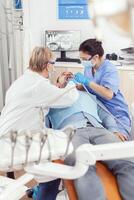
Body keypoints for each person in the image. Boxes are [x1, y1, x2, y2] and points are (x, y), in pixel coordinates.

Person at [34, 72, 134, 200]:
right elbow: (44, 125)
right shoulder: (53, 100)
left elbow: (106, 115)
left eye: (70, 76)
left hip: (98, 129)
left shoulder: (90, 96)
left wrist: (114, 131)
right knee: (82, 166)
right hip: (71, 132)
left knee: (126, 160)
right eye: (64, 75)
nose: (68, 77)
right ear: (57, 83)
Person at [0, 47, 78, 137]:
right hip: (15, 138)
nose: (54, 68)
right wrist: (72, 82)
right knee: (62, 139)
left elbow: (43, 95)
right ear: (48, 65)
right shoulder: (39, 85)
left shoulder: (23, 80)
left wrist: (59, 84)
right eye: (53, 64)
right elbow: (69, 98)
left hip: (7, 131)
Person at [74, 38, 131, 140]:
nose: (82, 62)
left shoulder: (109, 69)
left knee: (116, 143)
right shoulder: (89, 67)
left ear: (96, 57)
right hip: (99, 112)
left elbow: (108, 94)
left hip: (115, 113)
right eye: (81, 59)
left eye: (84, 59)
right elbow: (91, 88)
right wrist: (78, 85)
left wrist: (87, 82)